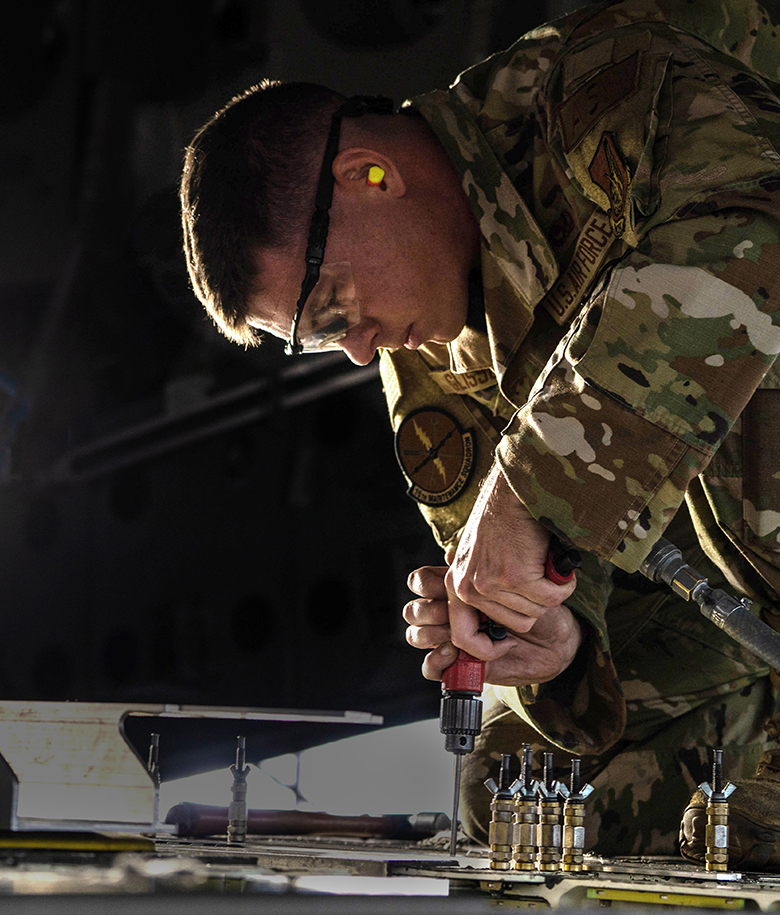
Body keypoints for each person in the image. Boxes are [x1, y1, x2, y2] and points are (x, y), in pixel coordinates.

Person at [180, 0, 780, 866]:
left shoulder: (593, 88)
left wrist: (536, 484)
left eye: (337, 308)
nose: (357, 350)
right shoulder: (424, 360)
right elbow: (547, 575)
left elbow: (753, 229)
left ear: (369, 175)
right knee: (511, 773)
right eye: (319, 341)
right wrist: (554, 638)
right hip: (742, 609)